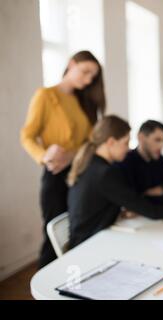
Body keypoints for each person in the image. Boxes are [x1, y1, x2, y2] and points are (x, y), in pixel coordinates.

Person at [21, 51, 105, 268]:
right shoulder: (46, 96)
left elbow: (90, 144)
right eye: (85, 72)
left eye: (92, 77)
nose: (87, 80)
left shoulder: (83, 102)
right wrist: (43, 155)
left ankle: (74, 281)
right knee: (54, 236)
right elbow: (27, 135)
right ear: (71, 63)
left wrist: (73, 155)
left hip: (79, 175)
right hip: (56, 175)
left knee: (77, 231)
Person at [67, 115, 163, 249]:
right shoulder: (106, 173)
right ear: (111, 142)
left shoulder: (91, 164)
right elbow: (150, 210)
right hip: (88, 246)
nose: (128, 149)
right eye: (125, 143)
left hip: (86, 238)